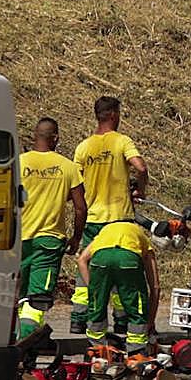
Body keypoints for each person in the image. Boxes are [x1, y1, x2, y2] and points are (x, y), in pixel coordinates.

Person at [69, 96, 149, 334]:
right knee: (119, 273)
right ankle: (122, 321)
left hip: (93, 219)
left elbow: (76, 183)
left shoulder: (83, 147)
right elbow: (141, 167)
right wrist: (141, 188)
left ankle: (79, 317)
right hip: (118, 219)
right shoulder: (122, 141)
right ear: (113, 115)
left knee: (89, 267)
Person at [17, 117, 86, 340]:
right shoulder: (68, 167)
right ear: (55, 138)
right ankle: (25, 341)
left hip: (17, 241)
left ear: (34, 136)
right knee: (37, 298)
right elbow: (80, 208)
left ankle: (15, 337)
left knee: (14, 294)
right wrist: (76, 238)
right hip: (48, 243)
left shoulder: (17, 163)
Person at [76, 219, 159, 356]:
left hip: (100, 259)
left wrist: (94, 288)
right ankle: (136, 351)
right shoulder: (141, 237)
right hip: (128, 259)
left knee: (97, 306)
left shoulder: (104, 233)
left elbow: (81, 260)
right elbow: (155, 287)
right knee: (136, 305)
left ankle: (96, 349)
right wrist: (149, 321)